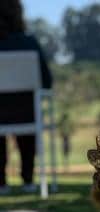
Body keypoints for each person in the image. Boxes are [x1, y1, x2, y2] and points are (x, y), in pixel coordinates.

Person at [0, 0, 53, 194]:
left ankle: (1, 182)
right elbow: (47, 81)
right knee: (28, 111)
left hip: (0, 115)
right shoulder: (30, 43)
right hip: (28, 114)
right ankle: (28, 179)